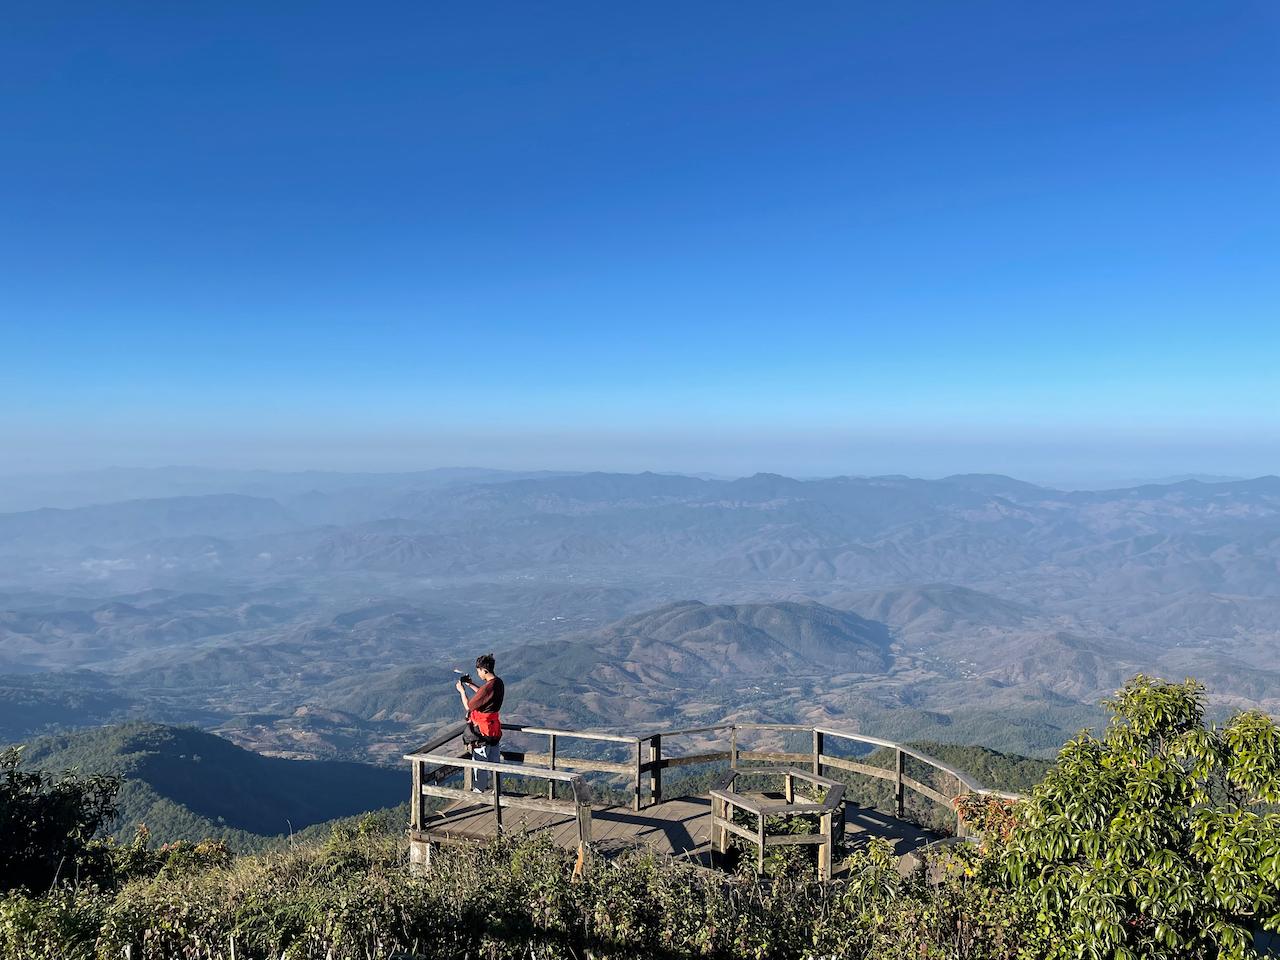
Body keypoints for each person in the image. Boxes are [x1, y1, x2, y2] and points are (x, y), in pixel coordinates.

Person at [456, 653, 504, 791]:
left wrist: (462, 691)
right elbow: (483, 696)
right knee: (496, 766)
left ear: (485, 670)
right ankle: (498, 792)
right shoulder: (497, 683)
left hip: (482, 733)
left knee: (480, 766)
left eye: (478, 670)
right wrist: (471, 684)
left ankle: (479, 793)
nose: (478, 673)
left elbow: (469, 706)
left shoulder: (488, 687)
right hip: (494, 731)